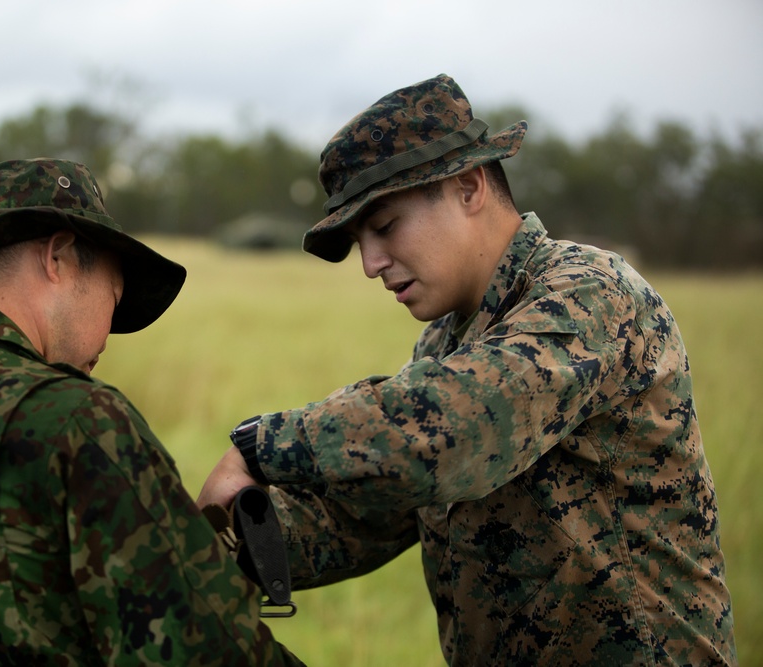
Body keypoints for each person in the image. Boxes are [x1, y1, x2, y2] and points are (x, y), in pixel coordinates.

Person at [198, 75, 737, 665]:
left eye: (383, 227)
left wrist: (261, 446)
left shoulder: (592, 296)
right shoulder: (446, 344)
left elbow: (447, 429)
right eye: (359, 241)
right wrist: (205, 550)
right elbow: (372, 513)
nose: (371, 264)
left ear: (469, 186)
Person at [0, 158, 302, 666]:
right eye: (114, 295)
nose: (110, 333)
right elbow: (210, 653)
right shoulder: (76, 420)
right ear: (60, 257)